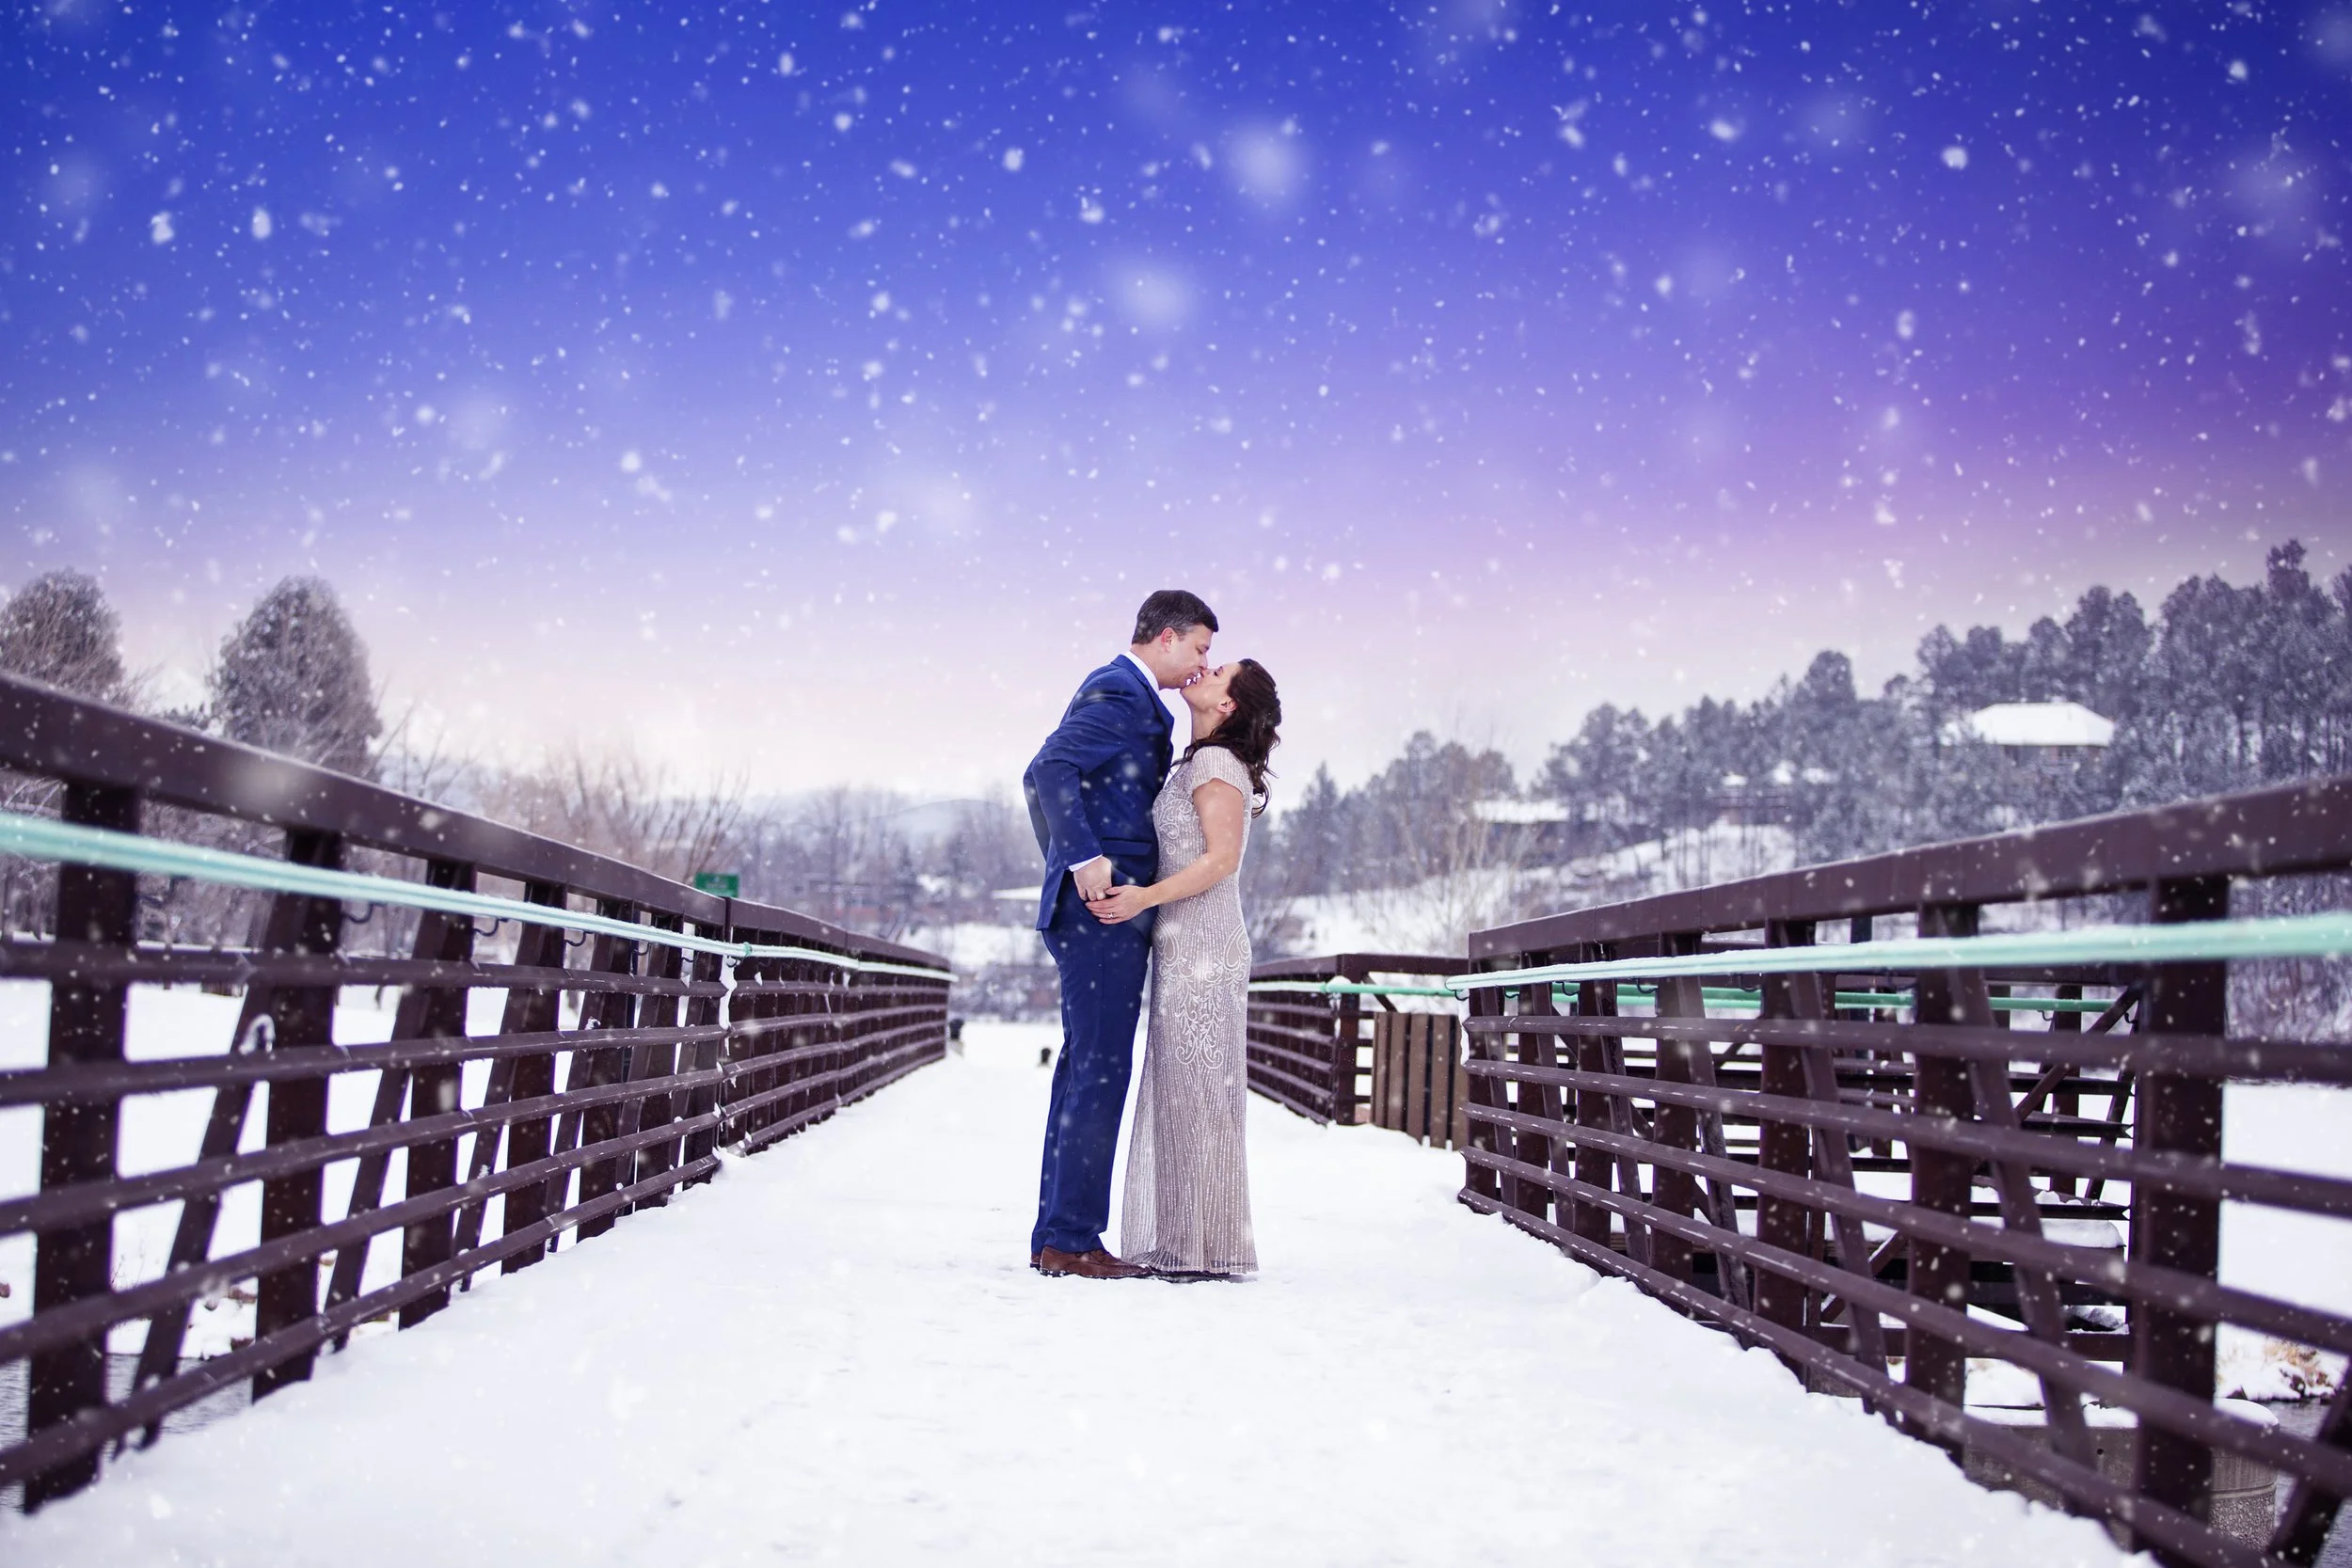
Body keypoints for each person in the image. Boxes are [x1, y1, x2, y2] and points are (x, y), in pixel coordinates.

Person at [1023, 590, 1217, 1279]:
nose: (1202, 663)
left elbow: (1046, 780)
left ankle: (1057, 1236)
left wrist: (1068, 865)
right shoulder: (1120, 693)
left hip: (1098, 911)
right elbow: (1047, 770)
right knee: (1100, 1070)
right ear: (1166, 637)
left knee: (1086, 1068)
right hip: (1104, 914)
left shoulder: (1123, 692)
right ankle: (1073, 1241)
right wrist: (1082, 861)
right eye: (1199, 647)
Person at [1089, 658, 1281, 1280]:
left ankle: (1202, 1244)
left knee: (1197, 1094)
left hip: (1205, 948)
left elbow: (1222, 859)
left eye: (1218, 671)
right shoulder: (1196, 759)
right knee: (1183, 1092)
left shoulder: (1216, 762)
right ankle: (1190, 1240)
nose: (1204, 669)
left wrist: (1142, 897)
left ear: (1228, 705)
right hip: (1184, 947)